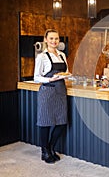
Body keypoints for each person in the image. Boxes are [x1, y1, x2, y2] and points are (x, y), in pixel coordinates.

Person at [34, 29, 69, 163]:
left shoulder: (62, 55)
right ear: (46, 40)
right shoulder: (42, 56)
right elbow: (36, 77)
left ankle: (50, 147)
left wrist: (67, 76)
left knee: (61, 122)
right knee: (45, 123)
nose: (54, 41)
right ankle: (45, 152)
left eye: (56, 39)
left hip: (61, 91)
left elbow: (65, 72)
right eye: (51, 39)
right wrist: (50, 79)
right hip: (47, 91)